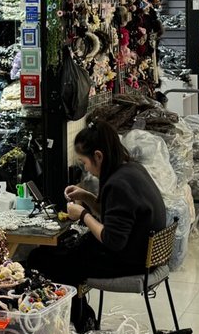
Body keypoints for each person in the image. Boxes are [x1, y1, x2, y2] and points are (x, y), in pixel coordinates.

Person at [27, 122, 166, 288]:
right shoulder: (132, 169)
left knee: (40, 259)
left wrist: (83, 215)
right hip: (141, 254)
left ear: (98, 156)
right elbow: (115, 216)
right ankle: (77, 309)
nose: (86, 168)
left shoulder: (118, 185)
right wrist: (86, 197)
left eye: (84, 162)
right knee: (59, 252)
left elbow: (112, 240)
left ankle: (71, 311)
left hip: (130, 261)